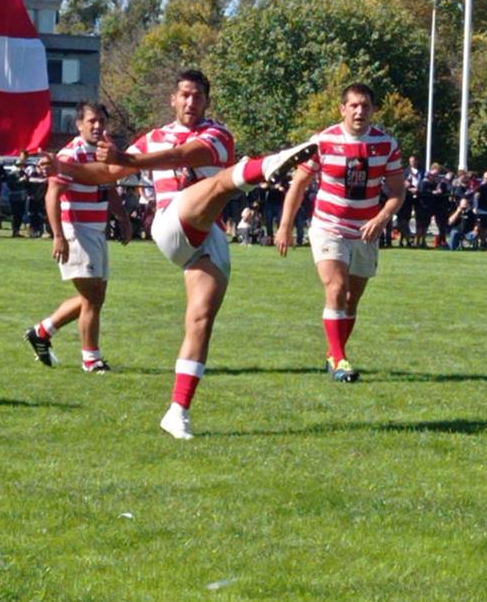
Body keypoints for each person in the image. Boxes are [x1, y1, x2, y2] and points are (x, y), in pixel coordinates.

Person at [42, 70, 316, 439]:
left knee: (200, 319)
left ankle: (177, 411)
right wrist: (64, 167)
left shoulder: (217, 135)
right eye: (184, 95)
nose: (190, 102)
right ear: (172, 99)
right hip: (170, 226)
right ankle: (267, 165)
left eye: (198, 96)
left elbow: (189, 153)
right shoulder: (152, 138)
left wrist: (131, 161)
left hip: (207, 239)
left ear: (207, 101)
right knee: (220, 182)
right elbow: (105, 173)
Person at [275, 83, 403, 382]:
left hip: (365, 231)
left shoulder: (386, 145)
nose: (360, 111)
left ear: (373, 109)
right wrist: (284, 227)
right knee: (335, 289)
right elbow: (298, 185)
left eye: (366, 106)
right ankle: (341, 359)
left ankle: (334, 355)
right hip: (328, 226)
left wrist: (382, 217)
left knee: (350, 299)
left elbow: (397, 192)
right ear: (342, 109)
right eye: (354, 105)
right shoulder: (323, 142)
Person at [25, 103, 133, 373]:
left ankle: (42, 331)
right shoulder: (69, 155)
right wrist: (58, 236)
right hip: (77, 231)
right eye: (92, 121)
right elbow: (52, 195)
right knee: (93, 298)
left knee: (94, 297)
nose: (98, 126)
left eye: (102, 121)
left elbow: (108, 189)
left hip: (96, 231)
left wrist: (123, 218)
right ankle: (91, 359)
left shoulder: (103, 151)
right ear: (79, 124)